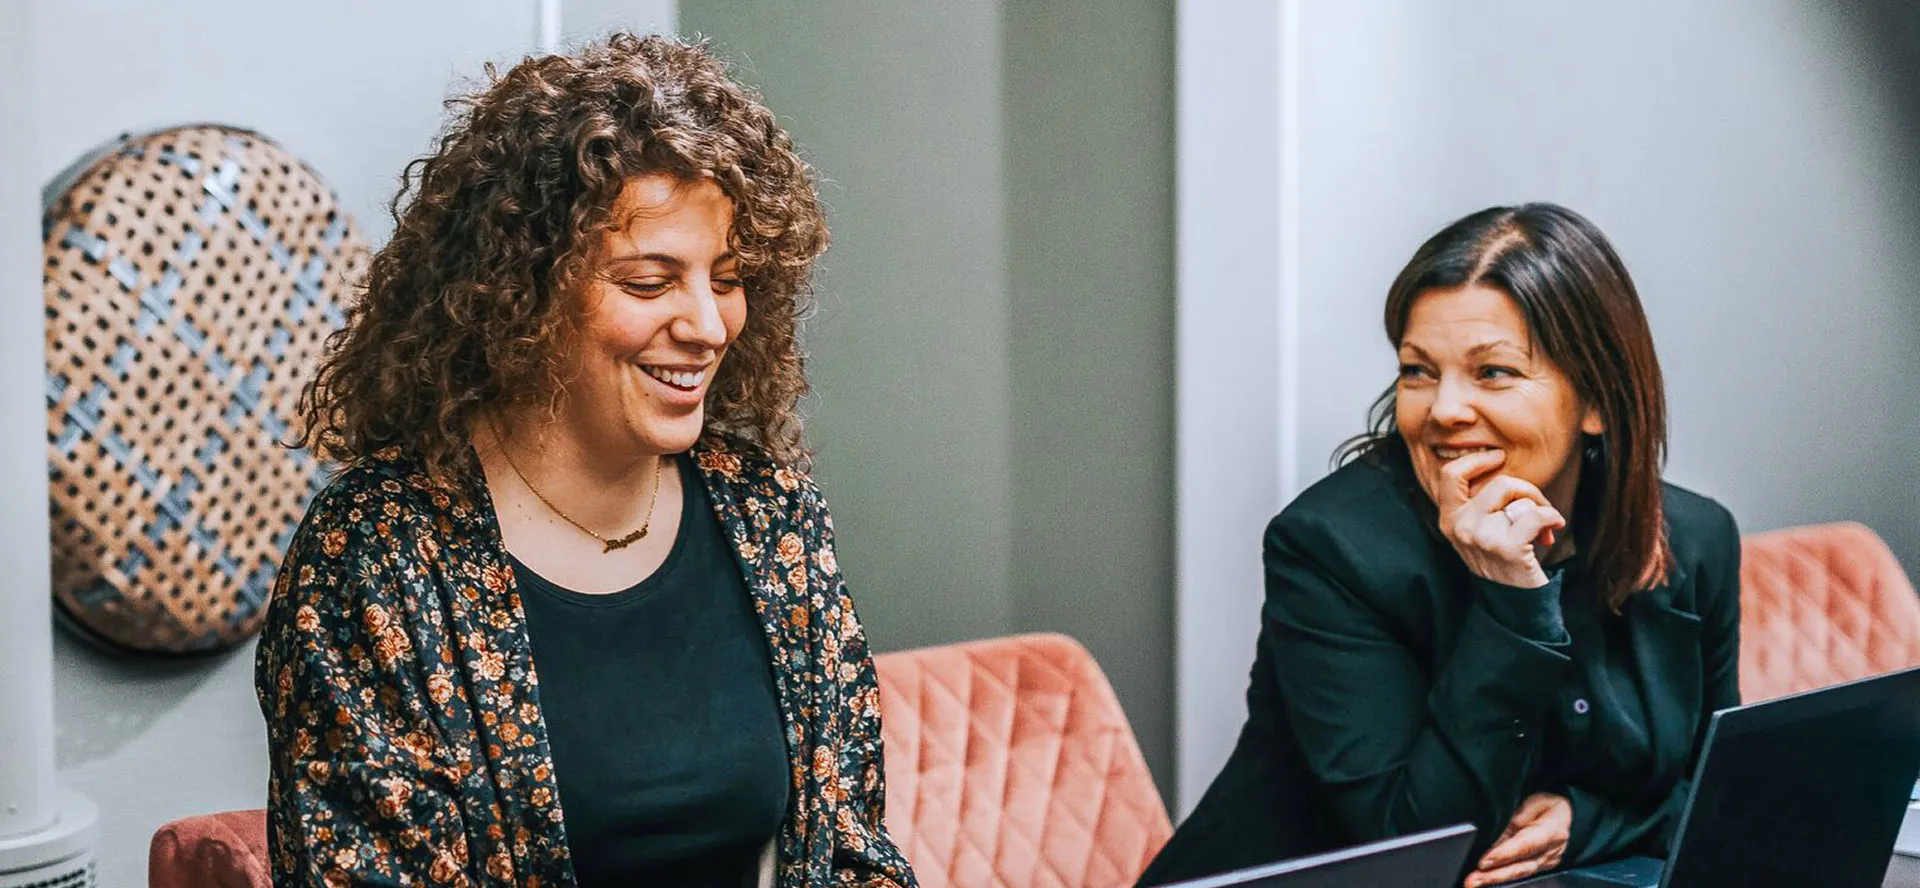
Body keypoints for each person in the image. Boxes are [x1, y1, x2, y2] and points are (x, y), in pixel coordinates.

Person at [257, 33, 917, 888]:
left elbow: (849, 851)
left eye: (727, 277)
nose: (708, 326)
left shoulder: (769, 514)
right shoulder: (378, 556)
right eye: (649, 283)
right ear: (521, 290)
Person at [1138, 204, 1740, 888]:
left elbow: (1723, 788)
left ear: (1597, 400)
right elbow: (1412, 847)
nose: (1444, 409)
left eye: (1493, 373)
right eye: (1419, 371)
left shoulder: (1693, 540)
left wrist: (1589, 823)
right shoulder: (1333, 549)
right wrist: (1513, 603)